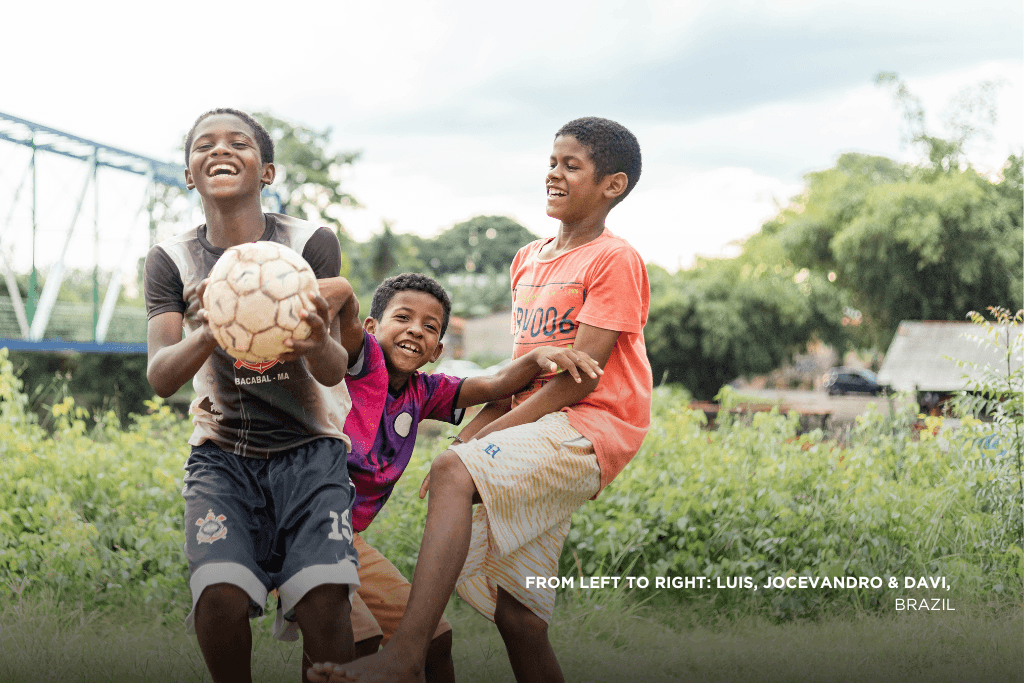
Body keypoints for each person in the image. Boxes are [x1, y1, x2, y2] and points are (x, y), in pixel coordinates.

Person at [309, 116, 652, 683]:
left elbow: (580, 379)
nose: (554, 174)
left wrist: (475, 447)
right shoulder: (528, 260)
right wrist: (473, 435)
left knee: (451, 468)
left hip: (591, 426)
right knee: (518, 616)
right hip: (539, 429)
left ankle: (403, 655)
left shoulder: (613, 259)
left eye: (571, 165)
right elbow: (521, 378)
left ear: (611, 185)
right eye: (551, 162)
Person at [144, 108, 360, 683]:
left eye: (238, 143)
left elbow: (334, 370)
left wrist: (315, 337)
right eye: (203, 145)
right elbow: (161, 377)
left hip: (310, 450)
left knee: (325, 602)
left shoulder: (310, 242)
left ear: (266, 171)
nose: (219, 150)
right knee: (218, 595)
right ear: (189, 174)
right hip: (221, 453)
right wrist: (212, 329)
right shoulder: (172, 260)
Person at [314, 271, 604, 683]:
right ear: (371, 328)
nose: (416, 330)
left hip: (347, 538)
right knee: (357, 637)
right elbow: (344, 316)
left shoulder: (424, 391)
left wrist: (539, 356)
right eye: (403, 318)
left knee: (435, 639)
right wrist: (342, 290)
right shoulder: (358, 363)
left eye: (430, 327)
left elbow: (496, 384)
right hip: (300, 529)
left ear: (438, 350)